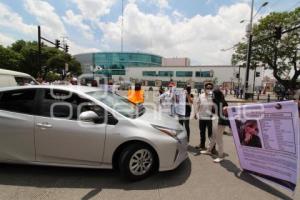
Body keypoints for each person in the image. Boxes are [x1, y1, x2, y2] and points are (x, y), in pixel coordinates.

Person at [201, 89, 229, 163]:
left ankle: (221, 156)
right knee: (213, 136)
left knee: (219, 139)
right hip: (215, 119)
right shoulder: (214, 100)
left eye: (213, 94)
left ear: (216, 94)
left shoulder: (222, 101)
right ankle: (209, 150)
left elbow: (227, 108)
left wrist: (225, 108)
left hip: (221, 122)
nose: (212, 95)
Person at [194, 82, 214, 150]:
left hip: (210, 118)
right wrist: (195, 113)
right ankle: (202, 145)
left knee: (210, 133)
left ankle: (212, 148)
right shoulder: (201, 96)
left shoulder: (213, 96)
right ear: (205, 88)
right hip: (202, 117)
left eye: (210, 88)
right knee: (202, 132)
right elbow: (198, 104)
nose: (209, 89)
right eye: (207, 88)